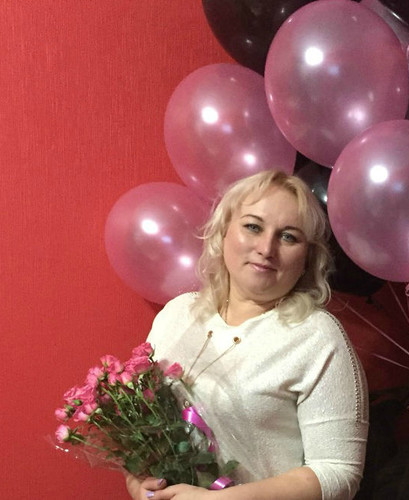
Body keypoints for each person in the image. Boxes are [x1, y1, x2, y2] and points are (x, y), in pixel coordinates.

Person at [125, 170, 369, 500]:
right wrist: (138, 481)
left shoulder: (318, 338)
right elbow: (140, 426)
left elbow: (339, 473)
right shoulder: (176, 314)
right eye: (253, 227)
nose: (266, 248)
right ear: (224, 230)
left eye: (288, 237)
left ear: (307, 258)